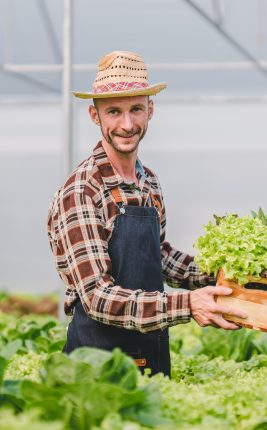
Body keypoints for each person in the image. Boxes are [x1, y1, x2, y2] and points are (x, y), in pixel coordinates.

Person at [47, 50, 246, 376]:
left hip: (150, 351)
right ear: (94, 116)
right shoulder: (82, 191)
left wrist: (228, 273)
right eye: (114, 112)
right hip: (97, 367)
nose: (127, 124)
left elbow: (160, 255)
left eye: (136, 109)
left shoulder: (148, 182)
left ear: (150, 110)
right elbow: (97, 297)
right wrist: (189, 304)